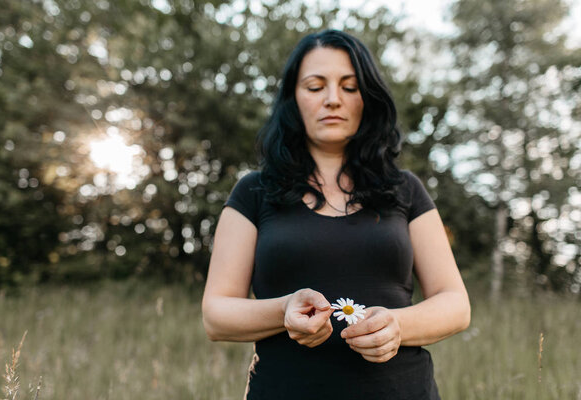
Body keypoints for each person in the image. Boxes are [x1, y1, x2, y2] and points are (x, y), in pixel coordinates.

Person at [201, 29, 470, 399]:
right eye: (315, 87)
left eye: (349, 86)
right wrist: (283, 309)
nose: (332, 100)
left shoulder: (405, 189)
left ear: (368, 98)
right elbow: (216, 314)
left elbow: (455, 304)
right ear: (293, 100)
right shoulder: (253, 192)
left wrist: (396, 325)